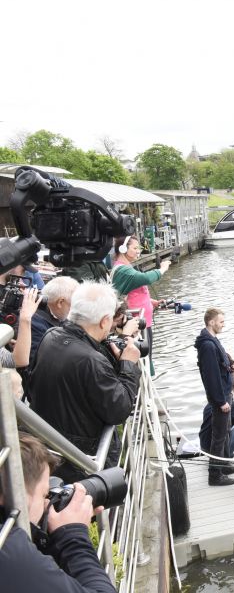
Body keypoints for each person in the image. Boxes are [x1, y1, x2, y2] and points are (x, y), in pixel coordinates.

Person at [28, 282, 142, 482]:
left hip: (55, 450)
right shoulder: (91, 360)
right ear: (105, 320)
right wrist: (128, 365)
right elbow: (119, 409)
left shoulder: (51, 335)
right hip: (82, 460)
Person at [0, 432, 116, 593]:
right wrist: (72, 536)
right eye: (43, 494)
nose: (47, 502)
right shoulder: (9, 550)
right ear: (17, 494)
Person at [195, 307, 234, 486]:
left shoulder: (213, 340)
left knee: (226, 432)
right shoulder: (206, 345)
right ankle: (215, 475)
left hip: (226, 392)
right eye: (221, 322)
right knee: (219, 435)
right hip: (220, 398)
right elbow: (211, 376)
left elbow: (221, 362)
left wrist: (230, 365)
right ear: (211, 322)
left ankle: (224, 464)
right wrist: (221, 401)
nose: (223, 325)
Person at [110, 234, 171, 359]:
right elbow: (146, 278)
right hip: (136, 323)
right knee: (143, 358)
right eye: (135, 248)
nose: (138, 251)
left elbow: (134, 292)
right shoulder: (122, 270)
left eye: (139, 248)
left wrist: (151, 302)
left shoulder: (127, 267)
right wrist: (162, 269)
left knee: (148, 356)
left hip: (144, 320)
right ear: (123, 249)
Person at [199, 372, 234, 461]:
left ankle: (226, 452)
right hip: (217, 452)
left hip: (204, 447)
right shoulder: (233, 406)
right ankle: (227, 455)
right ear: (233, 389)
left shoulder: (210, 403)